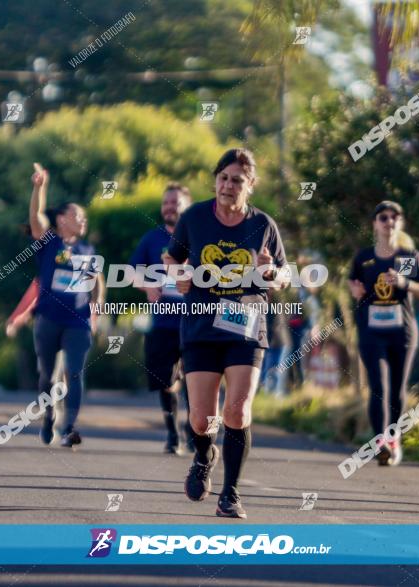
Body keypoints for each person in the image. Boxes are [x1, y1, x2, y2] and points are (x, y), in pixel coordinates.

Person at [164, 148, 288, 518]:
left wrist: (271, 274)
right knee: (202, 419)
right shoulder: (195, 218)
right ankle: (205, 456)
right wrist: (179, 276)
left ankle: (230, 494)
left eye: (237, 180)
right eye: (223, 178)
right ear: (216, 181)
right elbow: (172, 259)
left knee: (237, 410)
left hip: (245, 327)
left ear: (249, 185)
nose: (228, 185)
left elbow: (284, 275)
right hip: (201, 325)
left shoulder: (263, 225)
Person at [348, 201, 419, 466]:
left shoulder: (406, 258)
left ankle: (393, 438)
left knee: (397, 388)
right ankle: (380, 442)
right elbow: (354, 284)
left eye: (394, 217)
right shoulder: (364, 258)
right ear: (375, 224)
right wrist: (355, 291)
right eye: (383, 217)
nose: (389, 222)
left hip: (402, 333)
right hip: (372, 332)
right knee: (378, 386)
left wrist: (404, 282)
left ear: (400, 223)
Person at [28, 163, 104, 448]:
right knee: (47, 375)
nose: (83, 221)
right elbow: (36, 218)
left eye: (84, 217)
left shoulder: (88, 249)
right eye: (77, 216)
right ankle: (48, 416)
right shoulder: (49, 242)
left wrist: (97, 310)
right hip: (48, 318)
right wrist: (39, 187)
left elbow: (97, 282)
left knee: (74, 372)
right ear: (61, 219)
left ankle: (68, 427)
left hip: (78, 321)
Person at [130, 183, 195, 454]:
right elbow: (132, 272)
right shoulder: (151, 239)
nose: (169, 207)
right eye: (166, 203)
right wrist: (147, 286)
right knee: (166, 382)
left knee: (196, 379)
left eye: (175, 202)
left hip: (195, 321)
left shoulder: (199, 237)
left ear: (187, 206)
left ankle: (195, 434)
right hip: (164, 323)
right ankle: (172, 434)